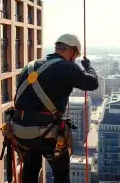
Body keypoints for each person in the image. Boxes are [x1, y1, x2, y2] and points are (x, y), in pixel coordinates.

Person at [11, 34, 98, 183]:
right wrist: (88, 66)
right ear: (71, 51)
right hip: (47, 132)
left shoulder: (31, 65)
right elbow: (92, 83)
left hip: (21, 130)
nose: (74, 59)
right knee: (61, 172)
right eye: (75, 55)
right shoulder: (66, 66)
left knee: (30, 169)